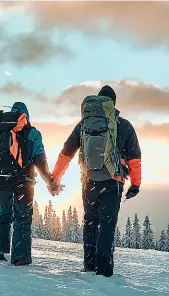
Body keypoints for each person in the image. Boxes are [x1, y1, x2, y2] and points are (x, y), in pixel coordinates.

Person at [51, 85, 142, 277]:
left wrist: (56, 177)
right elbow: (134, 158)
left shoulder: (84, 124)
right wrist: (135, 184)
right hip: (113, 181)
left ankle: (89, 266)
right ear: (113, 104)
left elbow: (66, 153)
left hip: (89, 180)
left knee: (90, 222)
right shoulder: (123, 125)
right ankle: (104, 270)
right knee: (107, 225)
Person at [0, 102, 62, 265]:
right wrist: (50, 181)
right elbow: (40, 160)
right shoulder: (33, 133)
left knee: (2, 215)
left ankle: (0, 252)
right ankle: (20, 258)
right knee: (22, 217)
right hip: (24, 182)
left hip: (2, 180)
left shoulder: (2, 130)